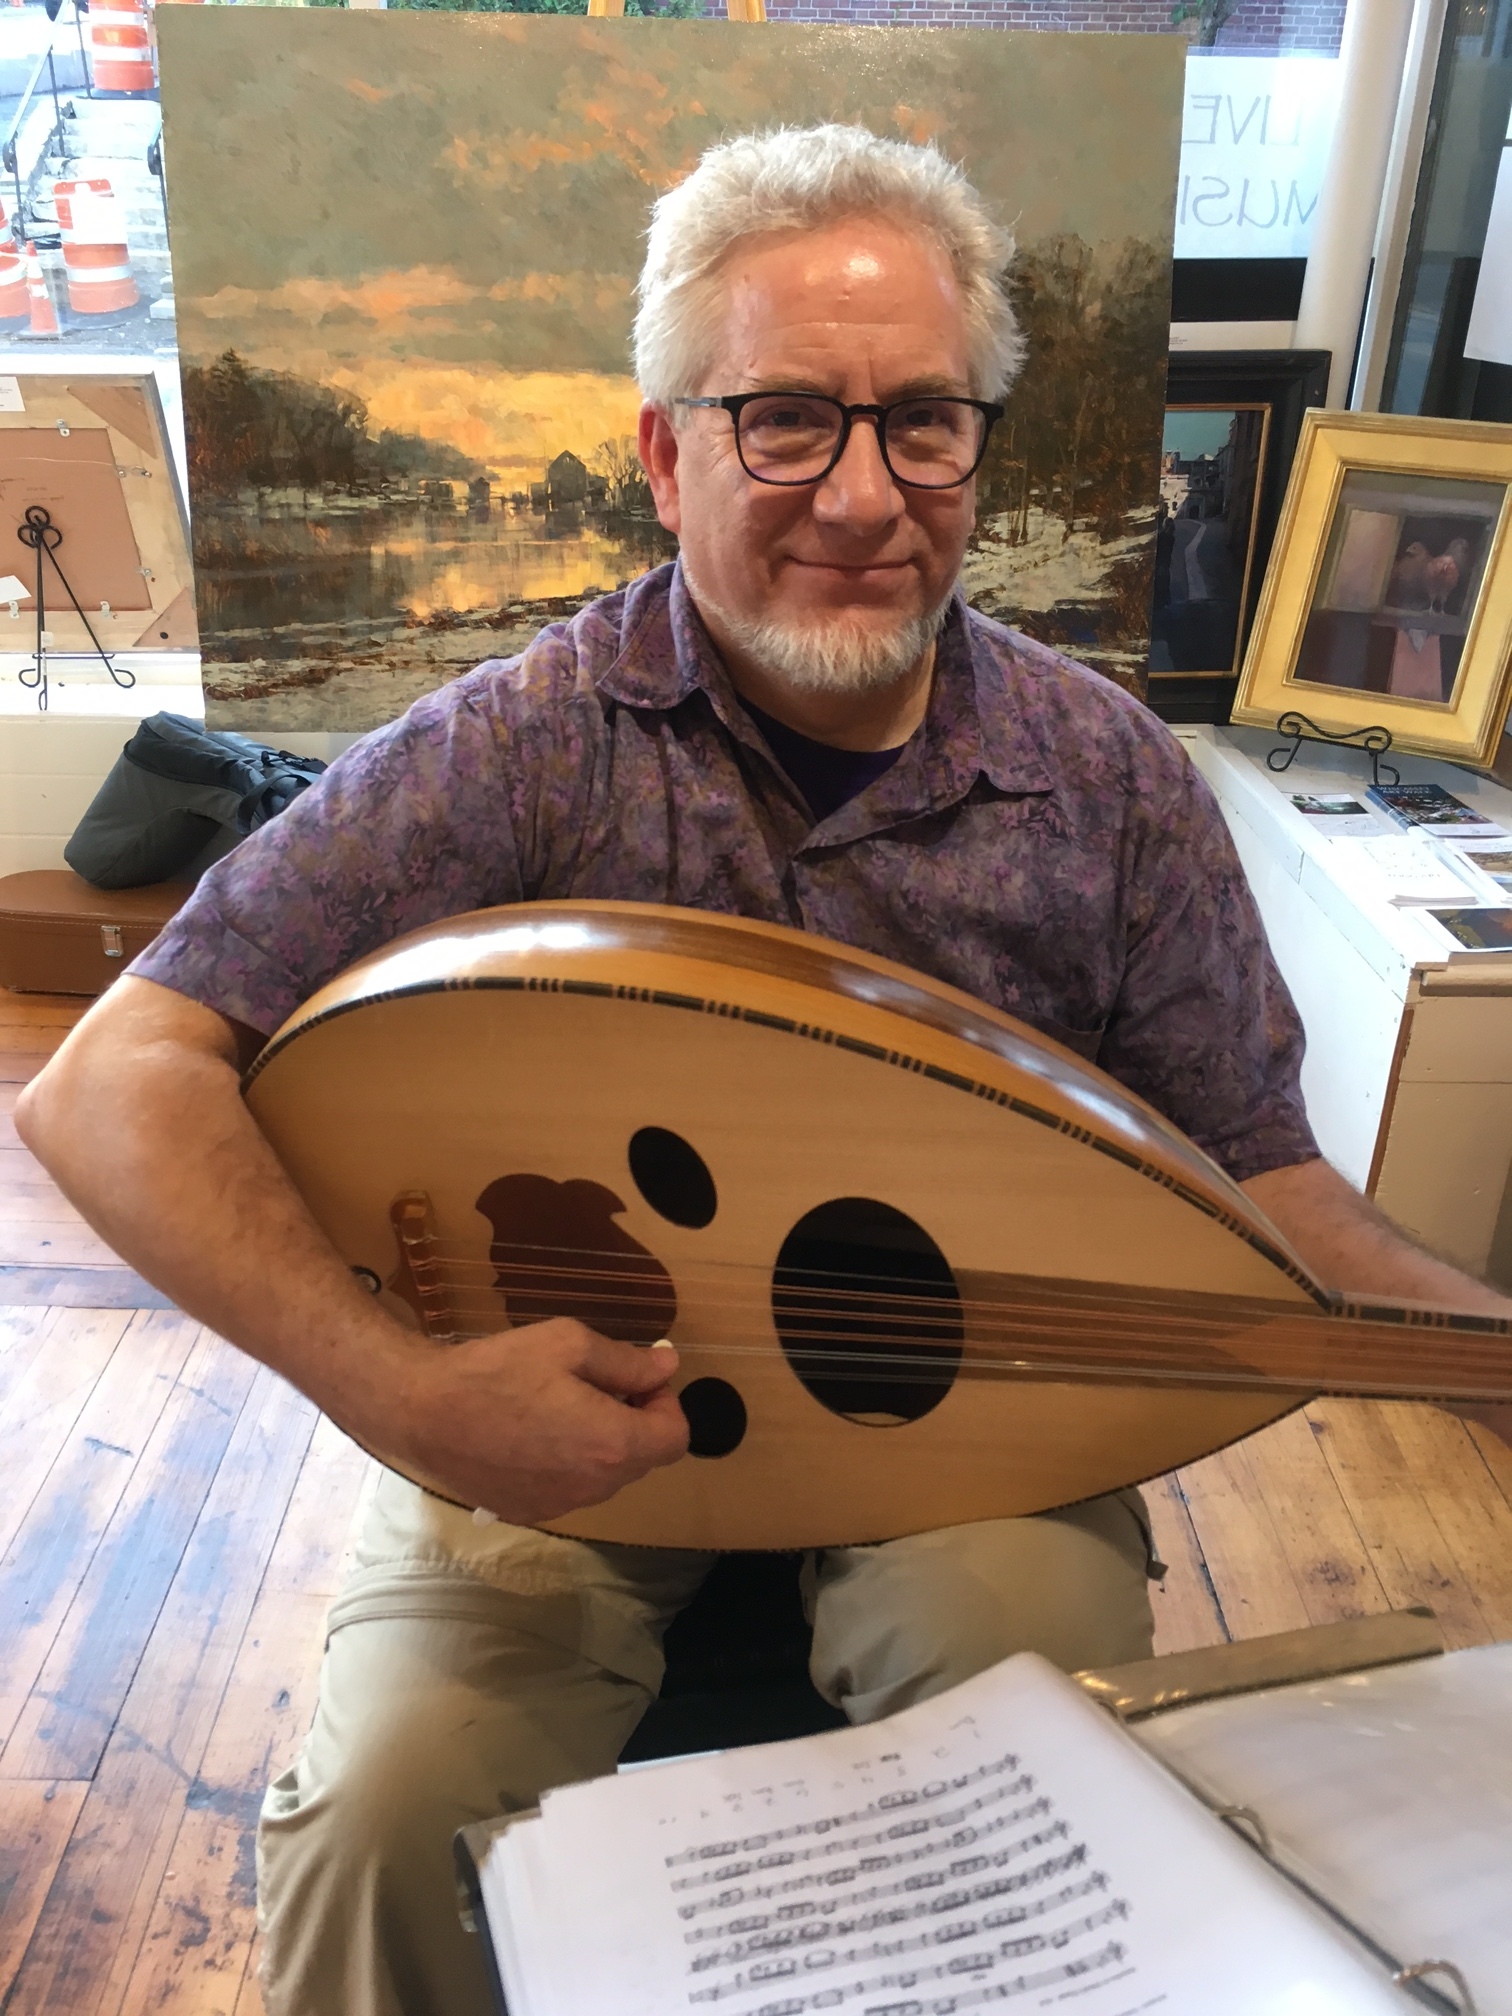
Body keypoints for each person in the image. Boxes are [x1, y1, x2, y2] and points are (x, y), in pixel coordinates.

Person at [17, 126, 1512, 2016]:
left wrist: (1483, 1363)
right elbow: (107, 1076)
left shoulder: (1110, 778)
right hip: (546, 1402)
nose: (865, 495)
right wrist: (407, 1389)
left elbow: (1259, 1184)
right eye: (785, 420)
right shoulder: (526, 745)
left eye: (925, 424)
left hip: (983, 1416)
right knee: (385, 1810)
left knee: (1035, 1736)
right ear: (666, 455)